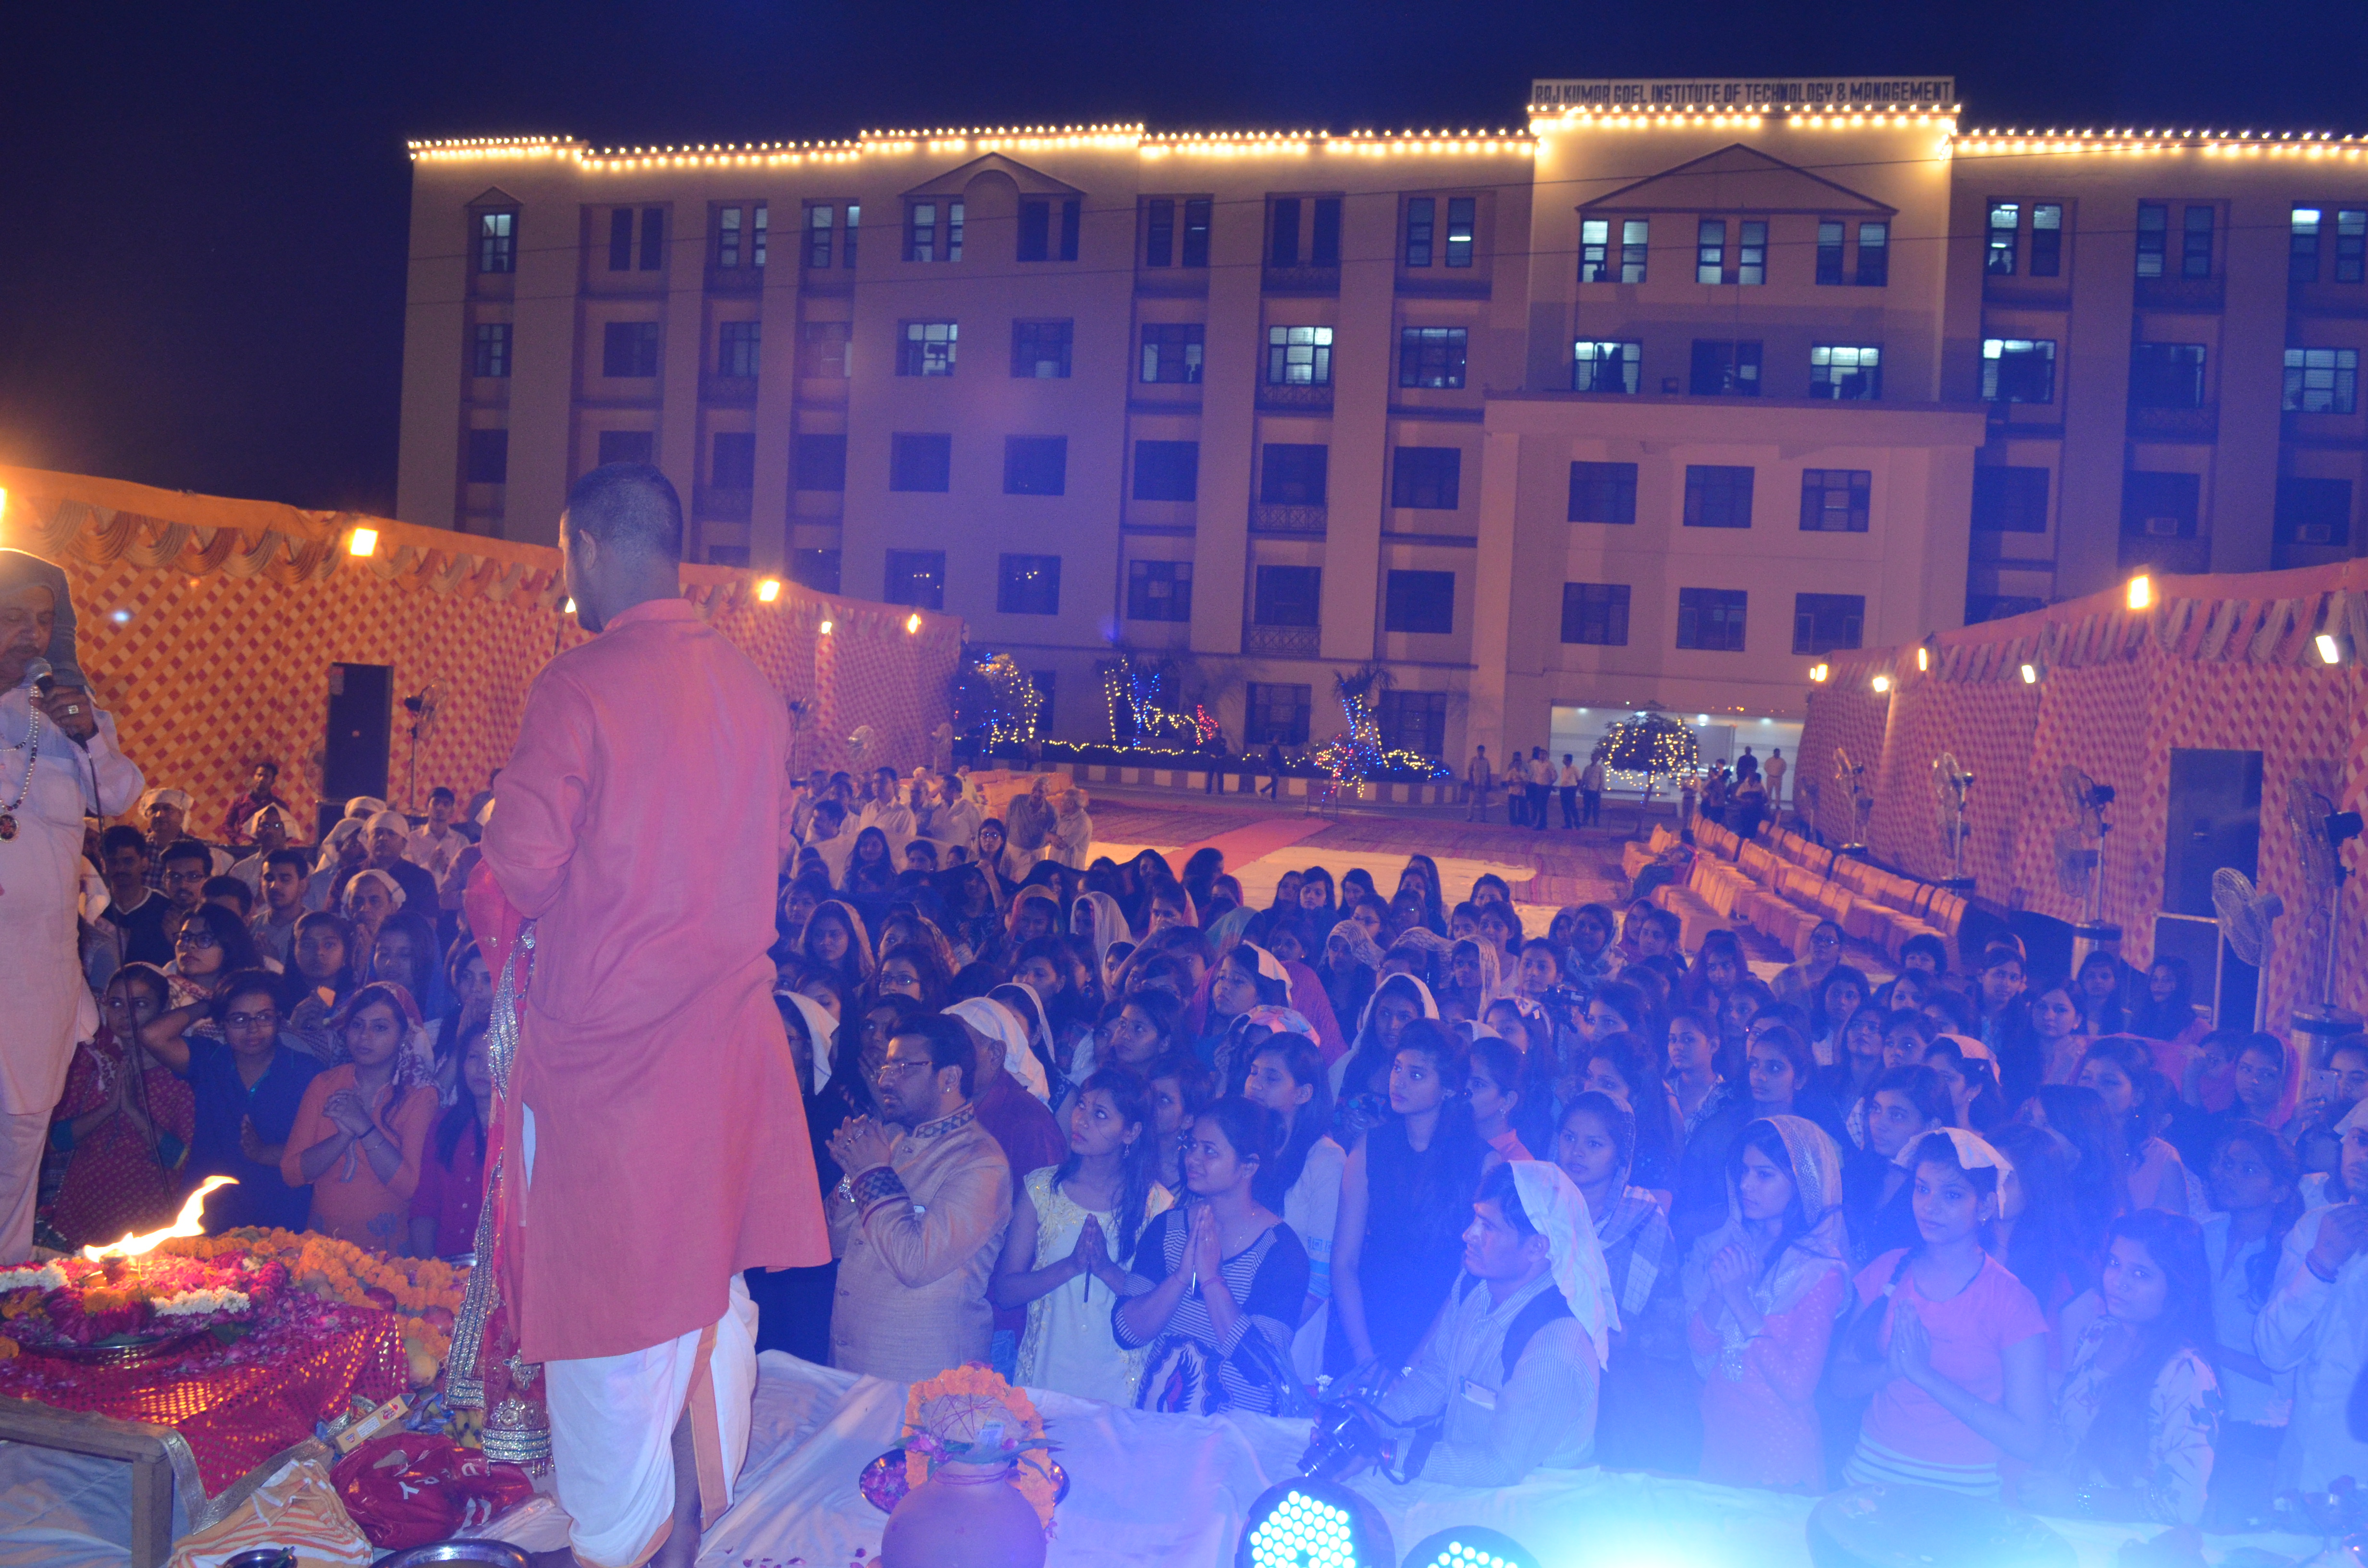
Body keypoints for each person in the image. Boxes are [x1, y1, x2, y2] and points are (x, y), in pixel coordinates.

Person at [474, 464, 827, 1568]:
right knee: (704, 1308)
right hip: (726, 1058)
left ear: (583, 544)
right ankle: (691, 1533)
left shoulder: (579, 684)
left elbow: (523, 868)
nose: (564, 581)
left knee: (612, 1344)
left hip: (613, 1077)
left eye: (562, 557)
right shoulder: (751, 689)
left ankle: (619, 1546)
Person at [1833, 1128, 2050, 1497]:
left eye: (1951, 1195)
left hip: (1963, 1493)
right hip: (1870, 1477)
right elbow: (1839, 1383)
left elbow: (2029, 1440)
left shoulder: (2012, 1300)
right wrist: (1892, 1370)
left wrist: (1925, 1377)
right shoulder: (1888, 1269)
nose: (1929, 1206)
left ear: (1985, 1207)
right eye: (1922, 1189)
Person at [1364, 1161, 1609, 1482]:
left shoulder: (1555, 1343)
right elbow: (1436, 1376)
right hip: (1472, 1484)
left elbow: (1501, 1464)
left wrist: (1387, 1452)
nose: (1469, 1234)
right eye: (1475, 1219)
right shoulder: (1473, 1286)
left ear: (1537, 1247)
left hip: (1536, 1499)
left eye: (1488, 1227)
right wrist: (1370, 1425)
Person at [825, 1014, 1013, 1381]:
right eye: (886, 1067)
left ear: (950, 1078)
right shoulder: (890, 1137)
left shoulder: (981, 1163)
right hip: (852, 1366)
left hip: (925, 1379)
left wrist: (871, 1173)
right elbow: (834, 1242)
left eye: (903, 1068)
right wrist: (853, 1175)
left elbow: (916, 1262)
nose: (884, 1081)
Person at [2017, 1211, 2220, 1524]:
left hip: (2130, 1541)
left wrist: (2077, 1499)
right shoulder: (2097, 1333)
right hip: (2064, 1527)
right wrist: (2039, 1481)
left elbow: (2183, 1505)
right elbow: (2063, 1428)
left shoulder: (2187, 1372)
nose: (2119, 1282)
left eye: (2140, 1274)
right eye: (2114, 1264)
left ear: (2178, 1287)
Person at [1682, 1115, 1850, 1490]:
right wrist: (1721, 1293)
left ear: (1802, 1184)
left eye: (1764, 1175)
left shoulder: (1819, 1270)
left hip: (1777, 1454)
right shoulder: (1739, 1245)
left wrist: (1740, 1302)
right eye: (1744, 1172)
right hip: (1721, 1437)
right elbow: (1700, 1346)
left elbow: (1796, 1386)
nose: (1746, 1185)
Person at [1114, 1098, 1309, 1415]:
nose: (1193, 1158)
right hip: (1157, 1426)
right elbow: (1126, 1333)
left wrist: (1212, 1279)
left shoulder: (1280, 1251)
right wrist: (1181, 1277)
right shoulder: (1168, 1227)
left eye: (1210, 1151)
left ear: (1248, 1167)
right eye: (1192, 1145)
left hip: (1233, 1436)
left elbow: (1264, 1369)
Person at [994, 1069, 1174, 1404]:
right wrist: (1071, 1266)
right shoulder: (1041, 1189)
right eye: (1081, 1106)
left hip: (1119, 1388)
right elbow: (1005, 1293)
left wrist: (1105, 1269)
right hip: (1046, 1379)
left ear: (1131, 1132)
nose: (1082, 1120)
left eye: (1100, 1114)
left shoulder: (1158, 1206)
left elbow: (1159, 1308)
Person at [1332, 1019, 1487, 1373]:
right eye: (1397, 1068)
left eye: (1416, 1075)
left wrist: (1415, 1366)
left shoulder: (1480, 1162)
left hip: (1438, 1327)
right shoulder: (1370, 1148)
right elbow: (1344, 1262)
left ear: (1448, 1089)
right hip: (1365, 1319)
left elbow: (1469, 1278)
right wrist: (1364, 1357)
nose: (1399, 1081)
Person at [2255, 1098, 2368, 1491]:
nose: (2364, 1155)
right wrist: (2321, 1263)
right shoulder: (2316, 1226)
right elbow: (2274, 1352)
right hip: (2301, 1467)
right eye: (2360, 1139)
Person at [281, 981, 441, 1246]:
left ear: (404, 1036)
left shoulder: (420, 1096)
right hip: (321, 1248)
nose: (365, 1036)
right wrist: (343, 1137)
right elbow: (292, 1174)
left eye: (380, 1027)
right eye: (357, 1025)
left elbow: (408, 1186)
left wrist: (364, 1127)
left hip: (388, 1255)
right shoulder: (324, 1085)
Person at [47, 965, 196, 1249]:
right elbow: (53, 1141)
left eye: (140, 1004)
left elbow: (182, 1160)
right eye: (116, 1004)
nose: (125, 1014)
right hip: (78, 1210)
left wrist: (133, 1112)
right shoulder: (91, 1064)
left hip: (146, 1216)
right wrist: (107, 1111)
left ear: (164, 1009)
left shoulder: (181, 1077)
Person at [2200, 1122, 2303, 1524]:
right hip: (2198, 1409)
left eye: (2247, 1169)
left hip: (2259, 1423)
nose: (2229, 1175)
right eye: (2226, 1164)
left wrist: (2207, 1350)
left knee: (2236, 1530)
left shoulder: (2291, 1255)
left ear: (2279, 1191)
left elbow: (2285, 1371)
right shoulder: (2204, 1234)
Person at [1244, 1035, 1346, 1384]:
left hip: (1293, 1323)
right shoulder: (1244, 1146)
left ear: (1303, 1093)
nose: (1256, 1084)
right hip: (1233, 1311)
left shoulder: (1326, 1159)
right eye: (1253, 1072)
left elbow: (1322, 1273)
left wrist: (1266, 1337)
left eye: (1271, 1077)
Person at [410, 1022, 493, 1258]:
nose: (482, 1068)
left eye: (493, 1057)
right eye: (474, 1057)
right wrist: (428, 1269)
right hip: (446, 1267)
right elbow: (426, 1205)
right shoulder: (445, 1123)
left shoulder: (523, 1129)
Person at [98, 825, 174, 967]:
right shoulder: (95, 909)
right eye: (113, 862)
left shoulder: (165, 909)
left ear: (144, 863)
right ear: (103, 865)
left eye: (128, 861)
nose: (120, 868)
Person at [221, 761, 288, 848]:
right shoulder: (239, 800)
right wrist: (241, 840)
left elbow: (289, 829)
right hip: (245, 849)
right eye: (259, 775)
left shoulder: (280, 805)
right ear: (254, 777)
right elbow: (227, 825)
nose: (261, 779)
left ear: (273, 781)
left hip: (270, 850)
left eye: (266, 776)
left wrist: (276, 842)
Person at [1465, 744, 1492, 822]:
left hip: (1483, 784)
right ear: (1478, 751)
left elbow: (1488, 772)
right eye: (1480, 751)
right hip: (1475, 783)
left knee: (1483, 802)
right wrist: (1471, 782)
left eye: (1483, 751)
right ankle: (1470, 817)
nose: (1481, 752)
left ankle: (1483, 818)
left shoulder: (1486, 761)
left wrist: (1489, 783)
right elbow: (1470, 772)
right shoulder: (1474, 760)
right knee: (1472, 802)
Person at [1580, 752, 1606, 828]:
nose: (1594, 759)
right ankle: (1585, 821)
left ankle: (1596, 822)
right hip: (1587, 790)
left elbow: (1602, 780)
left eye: (1596, 758)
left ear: (1597, 760)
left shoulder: (1600, 769)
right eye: (1593, 758)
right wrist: (1581, 787)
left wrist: (1600, 790)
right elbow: (1584, 778)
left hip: (1596, 791)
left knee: (1596, 808)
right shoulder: (1587, 768)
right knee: (1587, 807)